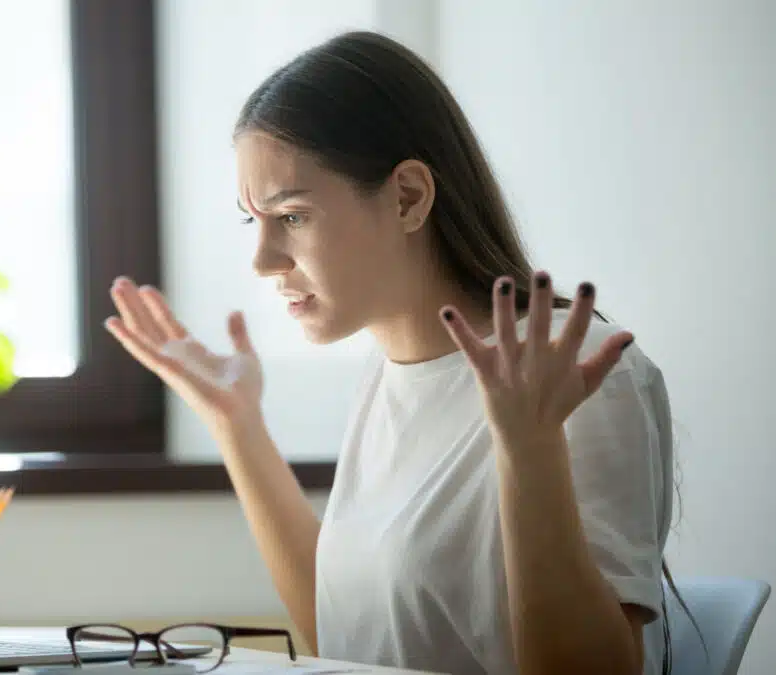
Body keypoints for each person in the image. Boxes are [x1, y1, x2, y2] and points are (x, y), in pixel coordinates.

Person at [104, 30, 678, 675]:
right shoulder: (390, 373)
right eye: (252, 221)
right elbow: (346, 641)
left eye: (291, 216)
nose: (263, 261)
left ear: (408, 197)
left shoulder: (578, 371)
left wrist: (529, 449)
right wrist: (236, 426)